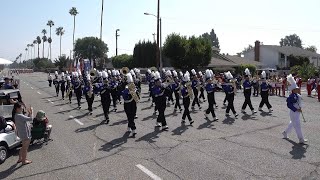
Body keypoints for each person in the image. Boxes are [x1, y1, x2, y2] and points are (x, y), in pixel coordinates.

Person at [282, 74, 307, 144]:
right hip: (293, 112)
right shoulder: (291, 96)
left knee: (292, 123)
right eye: (296, 88)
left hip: (297, 112)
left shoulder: (297, 95)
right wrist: (296, 109)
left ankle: (285, 132)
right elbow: (289, 105)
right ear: (293, 90)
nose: (298, 89)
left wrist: (300, 107)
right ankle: (301, 139)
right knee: (297, 125)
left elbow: (299, 101)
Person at [122, 73, 139, 137]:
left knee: (132, 116)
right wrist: (127, 91)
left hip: (133, 103)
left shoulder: (134, 86)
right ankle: (133, 129)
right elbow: (122, 94)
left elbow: (137, 98)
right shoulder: (123, 85)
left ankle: (129, 127)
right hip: (127, 103)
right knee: (129, 116)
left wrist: (136, 91)